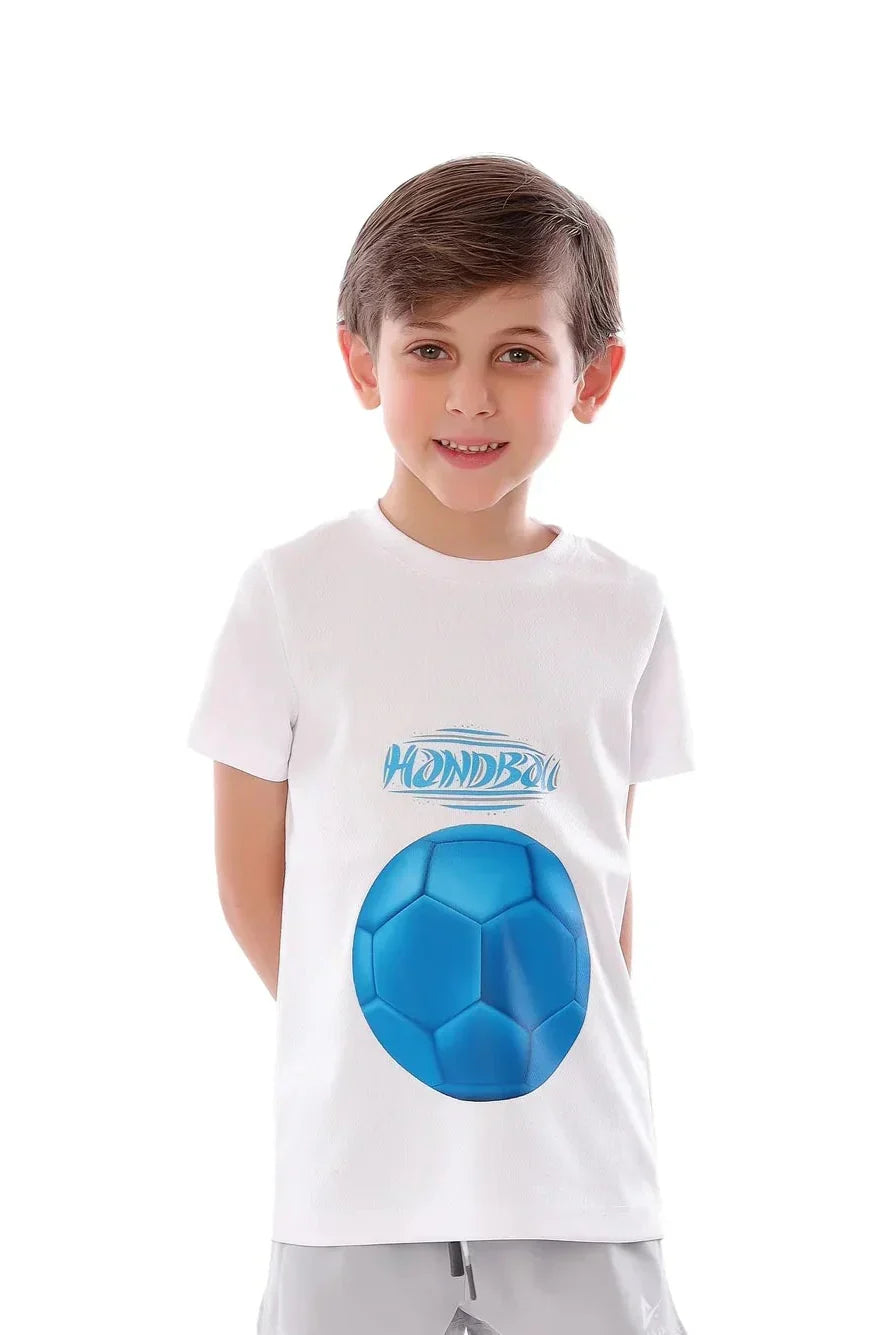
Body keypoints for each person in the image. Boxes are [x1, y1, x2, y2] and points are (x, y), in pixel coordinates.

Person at [187, 154, 695, 1335]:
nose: (470, 396)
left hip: (577, 1173)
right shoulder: (292, 596)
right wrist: (378, 1019)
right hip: (355, 1179)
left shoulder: (622, 610)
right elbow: (250, 881)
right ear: (360, 362)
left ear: (592, 377)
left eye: (517, 354)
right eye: (429, 350)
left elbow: (604, 892)